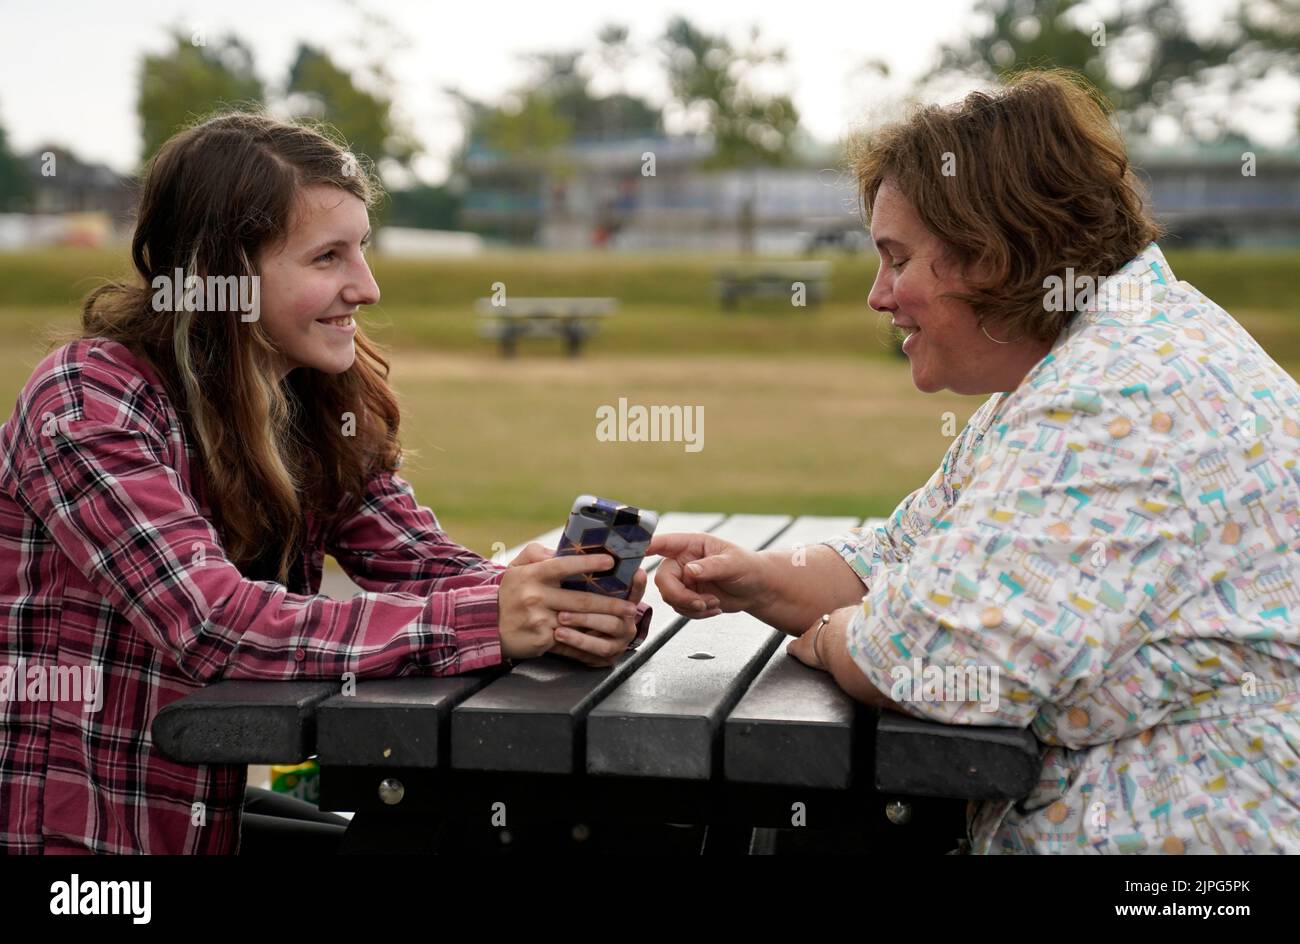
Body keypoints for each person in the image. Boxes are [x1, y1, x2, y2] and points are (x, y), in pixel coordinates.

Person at [650, 69, 1300, 854]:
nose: (878, 296)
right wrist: (757, 578)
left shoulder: (1118, 392)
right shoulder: (1083, 362)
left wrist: (826, 636)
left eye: (897, 259)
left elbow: (935, 660)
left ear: (990, 254)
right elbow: (902, 557)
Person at [0, 111, 650, 854]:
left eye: (362, 250)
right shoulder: (88, 402)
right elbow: (212, 625)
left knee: (469, 828)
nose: (366, 287)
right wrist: (492, 618)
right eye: (327, 258)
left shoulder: (304, 401)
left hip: (196, 817)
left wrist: (559, 601)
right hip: (73, 852)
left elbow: (424, 566)